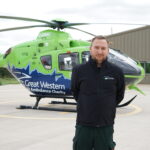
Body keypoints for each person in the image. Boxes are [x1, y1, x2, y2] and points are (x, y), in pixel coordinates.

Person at [71, 35, 125, 150]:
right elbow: (76, 93)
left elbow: (119, 96)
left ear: (108, 51)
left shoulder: (117, 72)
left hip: (106, 126)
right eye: (96, 47)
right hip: (83, 126)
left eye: (103, 48)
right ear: (90, 49)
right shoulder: (78, 70)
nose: (100, 51)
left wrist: (107, 106)